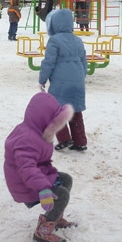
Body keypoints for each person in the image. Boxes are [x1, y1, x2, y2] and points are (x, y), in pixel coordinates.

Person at [3, 91, 78, 242]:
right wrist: (43, 188)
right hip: (24, 183)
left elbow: (41, 162)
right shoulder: (27, 138)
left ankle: (54, 218)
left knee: (66, 179)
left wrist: (50, 172)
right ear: (44, 119)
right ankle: (42, 234)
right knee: (61, 194)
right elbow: (27, 168)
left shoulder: (41, 132)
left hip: (36, 177)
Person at [38, 9, 89, 151]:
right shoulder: (77, 40)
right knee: (75, 111)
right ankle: (80, 141)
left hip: (60, 83)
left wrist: (42, 79)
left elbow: (49, 62)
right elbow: (84, 61)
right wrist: (81, 77)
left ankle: (65, 138)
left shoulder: (54, 40)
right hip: (77, 81)